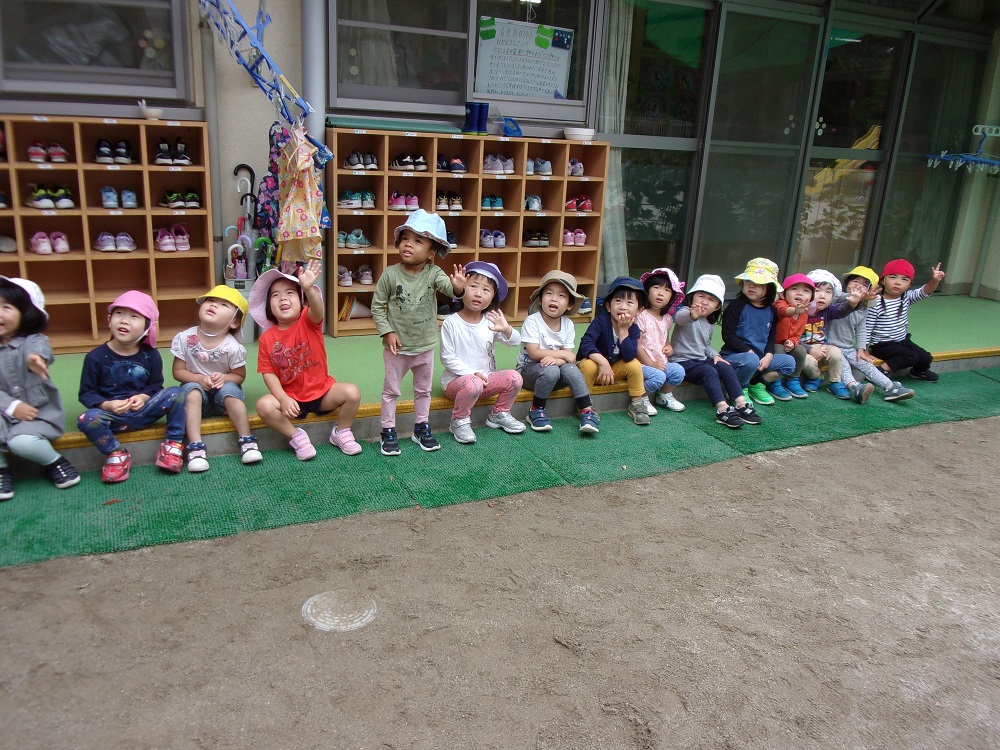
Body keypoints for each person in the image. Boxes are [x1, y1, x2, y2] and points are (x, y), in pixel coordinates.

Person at [371, 209, 466, 456]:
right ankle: (387, 430)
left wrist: (458, 288)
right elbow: (377, 307)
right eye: (405, 238)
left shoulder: (434, 273)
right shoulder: (390, 274)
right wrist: (387, 332)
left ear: (432, 253)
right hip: (397, 348)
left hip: (425, 347)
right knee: (391, 391)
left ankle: (421, 427)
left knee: (423, 391)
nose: (408, 244)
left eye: (417, 241)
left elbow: (449, 289)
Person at [249, 259, 362, 460]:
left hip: (323, 393)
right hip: (292, 400)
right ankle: (296, 436)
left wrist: (308, 288)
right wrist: (283, 398)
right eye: (275, 295)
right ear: (269, 307)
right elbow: (268, 373)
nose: (283, 298)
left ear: (302, 301)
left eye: (290, 293)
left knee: (352, 392)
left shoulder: (308, 320)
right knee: (264, 406)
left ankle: (342, 431)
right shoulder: (267, 339)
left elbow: (318, 309)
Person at [78, 291, 186, 483]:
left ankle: (173, 444)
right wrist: (107, 405)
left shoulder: (151, 355)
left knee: (178, 393)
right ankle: (115, 454)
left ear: (147, 327)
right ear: (109, 320)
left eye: (134, 316)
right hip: (113, 417)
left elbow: (155, 385)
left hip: (145, 411)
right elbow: (87, 393)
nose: (124, 321)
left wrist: (144, 397)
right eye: (119, 314)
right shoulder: (95, 357)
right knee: (87, 419)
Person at [0, 277, 80, 499]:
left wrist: (34, 359)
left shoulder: (33, 340)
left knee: (21, 442)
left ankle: (54, 461)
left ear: (25, 313)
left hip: (38, 414)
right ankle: (1, 469)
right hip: (3, 413)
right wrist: (12, 406)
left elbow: (39, 349)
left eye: (6, 307)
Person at [171, 284, 262, 472]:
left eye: (223, 305)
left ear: (234, 322)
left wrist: (224, 378)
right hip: (196, 397)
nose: (213, 305)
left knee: (231, 392)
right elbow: (178, 371)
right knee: (191, 391)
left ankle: (247, 440)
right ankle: (195, 446)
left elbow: (239, 376)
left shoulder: (233, 347)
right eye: (210, 300)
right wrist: (198, 379)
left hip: (223, 397)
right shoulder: (184, 338)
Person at [440, 261, 524, 444]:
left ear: (493, 297)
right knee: (473, 383)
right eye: (473, 286)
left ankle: (499, 414)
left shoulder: (490, 321)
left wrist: (507, 329)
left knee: (515, 378)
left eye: (486, 290)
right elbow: (447, 358)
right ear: (462, 289)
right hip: (457, 383)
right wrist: (472, 374)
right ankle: (459, 421)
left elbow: (515, 342)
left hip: (485, 381)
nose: (478, 293)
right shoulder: (451, 323)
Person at [670, 274, 762, 429]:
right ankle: (722, 409)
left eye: (711, 300)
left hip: (699, 360)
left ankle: (741, 404)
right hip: (681, 361)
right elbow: (680, 318)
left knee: (725, 366)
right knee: (709, 371)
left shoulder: (709, 322)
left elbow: (706, 345)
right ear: (692, 297)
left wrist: (716, 355)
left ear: (717, 306)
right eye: (701, 296)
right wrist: (693, 315)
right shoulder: (685, 311)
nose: (704, 302)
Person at [516, 270, 599, 434]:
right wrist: (562, 356)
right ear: (540, 300)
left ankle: (586, 410)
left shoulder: (568, 325)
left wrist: (558, 360)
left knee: (572, 369)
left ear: (569, 305)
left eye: (561, 296)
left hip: (555, 370)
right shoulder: (532, 321)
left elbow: (569, 358)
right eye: (549, 293)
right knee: (552, 370)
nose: (554, 298)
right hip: (528, 371)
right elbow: (534, 353)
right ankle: (536, 409)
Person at [828, 266, 914, 402]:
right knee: (843, 366)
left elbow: (862, 329)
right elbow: (840, 297)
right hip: (829, 346)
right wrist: (856, 297)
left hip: (847, 347)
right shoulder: (839, 299)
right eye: (855, 281)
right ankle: (854, 387)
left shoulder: (863, 309)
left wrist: (861, 349)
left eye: (864, 285)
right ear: (847, 283)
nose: (858, 286)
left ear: (870, 291)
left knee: (866, 365)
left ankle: (890, 387)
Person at [577, 276, 655, 426]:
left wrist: (623, 330)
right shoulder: (600, 321)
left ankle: (636, 403)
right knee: (588, 364)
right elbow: (586, 344)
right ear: (608, 306)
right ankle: (585, 405)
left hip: (612, 373)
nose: (623, 307)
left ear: (639, 310)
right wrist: (602, 362)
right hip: (594, 370)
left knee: (634, 364)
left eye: (630, 302)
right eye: (618, 301)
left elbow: (629, 355)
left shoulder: (633, 328)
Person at [719, 258, 796, 406]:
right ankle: (738, 389)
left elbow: (770, 337)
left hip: (760, 359)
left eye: (759, 283)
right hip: (735, 357)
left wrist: (769, 354)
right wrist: (749, 352)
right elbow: (728, 336)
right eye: (748, 281)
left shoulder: (771, 310)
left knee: (789, 363)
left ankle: (758, 384)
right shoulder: (736, 306)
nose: (751, 286)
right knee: (751, 360)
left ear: (770, 288)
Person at [859, 259, 946, 382]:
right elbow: (867, 327)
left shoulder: (906, 297)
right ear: (883, 280)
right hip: (882, 345)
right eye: (893, 277)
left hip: (902, 341)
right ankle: (879, 371)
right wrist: (864, 349)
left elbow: (925, 291)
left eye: (904, 279)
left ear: (910, 284)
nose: (898, 282)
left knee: (926, 357)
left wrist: (935, 280)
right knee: (910, 356)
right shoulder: (875, 302)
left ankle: (918, 372)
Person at [799, 269, 865, 400]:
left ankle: (835, 382)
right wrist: (810, 350)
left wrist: (853, 303)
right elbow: (793, 338)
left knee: (836, 353)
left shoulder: (827, 310)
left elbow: (841, 310)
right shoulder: (799, 311)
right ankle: (816, 377)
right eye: (817, 291)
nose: (822, 296)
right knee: (806, 362)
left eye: (828, 292)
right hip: (803, 348)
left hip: (823, 346)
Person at [636, 267, 687, 415]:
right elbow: (636, 344)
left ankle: (664, 395)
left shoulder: (667, 318)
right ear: (646, 290)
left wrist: (668, 345)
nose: (661, 293)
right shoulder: (641, 315)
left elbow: (665, 338)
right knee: (658, 377)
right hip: (641, 364)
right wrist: (651, 364)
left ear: (672, 297)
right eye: (656, 287)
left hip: (660, 362)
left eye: (667, 290)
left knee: (678, 371)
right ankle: (641, 397)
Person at [770, 273, 815, 399]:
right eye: (794, 289)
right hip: (773, 343)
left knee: (800, 350)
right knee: (779, 350)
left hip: (788, 344)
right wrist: (794, 310)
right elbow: (782, 311)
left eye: (806, 291)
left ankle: (793, 380)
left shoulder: (804, 313)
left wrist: (792, 342)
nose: (800, 293)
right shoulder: (780, 304)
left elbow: (798, 334)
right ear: (783, 294)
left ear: (811, 298)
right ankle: (774, 382)